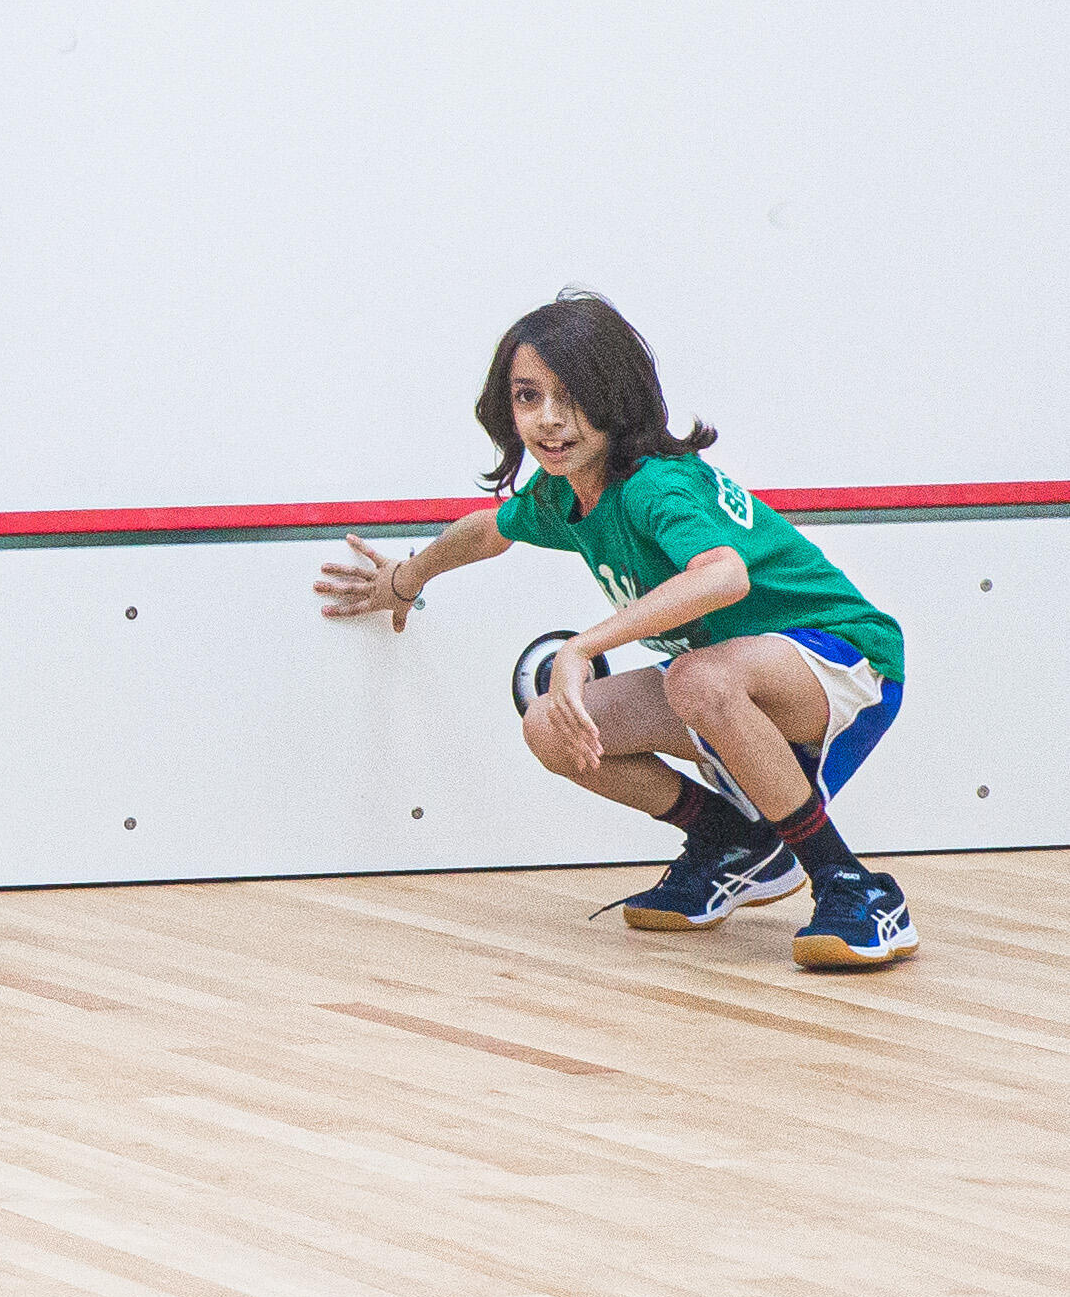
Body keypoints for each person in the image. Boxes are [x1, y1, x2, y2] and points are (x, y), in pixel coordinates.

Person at [312, 294, 916, 969]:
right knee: (550, 723)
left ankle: (853, 886)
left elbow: (725, 578)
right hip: (729, 679)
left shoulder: (656, 486)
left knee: (696, 676)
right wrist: (405, 578)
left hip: (848, 661)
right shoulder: (565, 493)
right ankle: (731, 840)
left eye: (570, 396)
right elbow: (488, 529)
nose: (548, 419)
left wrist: (585, 644)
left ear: (618, 398)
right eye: (527, 395)